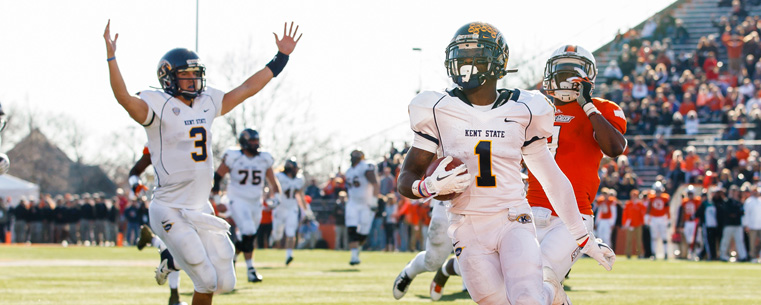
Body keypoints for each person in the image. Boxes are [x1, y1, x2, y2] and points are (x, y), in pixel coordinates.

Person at [396, 22, 614, 305]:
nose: (465, 65)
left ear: (496, 63)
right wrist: (426, 187)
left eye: (474, 57)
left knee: (526, 298)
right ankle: (552, 294)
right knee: (496, 300)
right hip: (467, 223)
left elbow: (552, 178)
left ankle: (545, 294)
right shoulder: (436, 108)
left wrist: (583, 239)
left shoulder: (524, 109)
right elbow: (406, 177)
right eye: (460, 57)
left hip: (514, 218)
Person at [103, 19, 301, 305]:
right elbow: (122, 97)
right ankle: (175, 260)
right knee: (205, 278)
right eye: (187, 75)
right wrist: (112, 58)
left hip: (199, 206)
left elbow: (246, 88)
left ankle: (172, 260)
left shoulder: (207, 101)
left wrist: (280, 58)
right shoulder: (156, 105)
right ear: (168, 78)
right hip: (169, 207)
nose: (194, 81)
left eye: (196, 74)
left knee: (224, 282)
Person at [527, 44, 627, 301]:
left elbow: (615, 148)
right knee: (522, 284)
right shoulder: (536, 108)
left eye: (573, 73)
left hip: (573, 216)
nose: (565, 79)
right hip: (528, 211)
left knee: (534, 279)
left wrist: (587, 105)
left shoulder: (603, 108)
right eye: (560, 72)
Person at [213, 128, 282, 282]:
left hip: (255, 201)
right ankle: (251, 270)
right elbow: (217, 177)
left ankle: (232, 259)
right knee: (249, 231)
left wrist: (276, 197)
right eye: (252, 141)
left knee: (249, 236)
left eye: (256, 140)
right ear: (244, 142)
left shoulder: (264, 158)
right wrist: (218, 201)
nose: (255, 144)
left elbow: (272, 181)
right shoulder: (234, 156)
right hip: (237, 199)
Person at [129, 145, 187, 305]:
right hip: (165, 202)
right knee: (177, 248)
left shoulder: (190, 137)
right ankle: (175, 297)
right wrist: (135, 185)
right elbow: (135, 171)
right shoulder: (156, 141)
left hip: (190, 201)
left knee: (183, 249)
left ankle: (152, 240)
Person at [392, 199, 457, 301]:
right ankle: (411, 270)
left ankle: (446, 269)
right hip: (449, 199)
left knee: (479, 260)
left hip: (485, 201)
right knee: (433, 260)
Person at [344, 149, 380, 265]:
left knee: (364, 232)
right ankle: (354, 256)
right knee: (352, 229)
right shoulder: (349, 171)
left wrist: (374, 201)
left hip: (366, 204)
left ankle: (357, 250)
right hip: (353, 203)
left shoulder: (366, 167)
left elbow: (375, 183)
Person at [273, 157, 308, 265]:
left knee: (291, 231)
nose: (297, 170)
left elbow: (300, 194)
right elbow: (272, 188)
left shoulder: (299, 179)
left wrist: (305, 209)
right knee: (277, 234)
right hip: (280, 208)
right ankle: (274, 239)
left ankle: (289, 255)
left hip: (292, 208)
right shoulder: (279, 177)